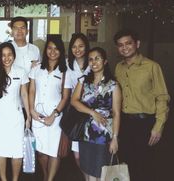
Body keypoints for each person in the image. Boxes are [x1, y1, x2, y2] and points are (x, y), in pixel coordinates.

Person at [113, 29, 170, 181]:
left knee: (145, 166)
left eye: (128, 43)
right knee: (125, 165)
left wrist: (158, 127)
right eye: (120, 45)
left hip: (145, 124)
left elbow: (162, 98)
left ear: (137, 44)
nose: (124, 47)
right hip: (124, 124)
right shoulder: (119, 67)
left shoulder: (152, 66)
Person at [0, 42, 31, 181]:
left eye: (9, 54)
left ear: (14, 56)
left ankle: (15, 179)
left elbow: (24, 94)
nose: (6, 58)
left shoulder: (20, 71)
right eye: (3, 55)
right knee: (0, 150)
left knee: (17, 151)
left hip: (16, 117)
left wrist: (28, 117)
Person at [71, 47, 121, 181]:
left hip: (104, 135)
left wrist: (115, 138)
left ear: (105, 61)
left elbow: (116, 113)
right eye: (91, 59)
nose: (94, 62)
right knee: (87, 170)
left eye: (97, 58)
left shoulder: (113, 85)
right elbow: (74, 101)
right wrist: (92, 112)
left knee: (100, 172)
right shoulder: (84, 82)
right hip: (86, 134)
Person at [29, 35, 69, 181]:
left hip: (55, 118)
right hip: (37, 115)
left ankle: (50, 179)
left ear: (61, 51)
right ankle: (46, 176)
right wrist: (32, 110)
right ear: (45, 50)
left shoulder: (65, 71)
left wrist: (54, 114)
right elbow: (31, 90)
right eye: (50, 48)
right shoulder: (37, 68)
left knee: (53, 152)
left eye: (57, 49)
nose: (53, 52)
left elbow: (65, 97)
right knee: (40, 152)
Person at [64, 33, 90, 166]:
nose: (77, 49)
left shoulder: (93, 62)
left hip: (93, 109)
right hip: (76, 110)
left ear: (86, 47)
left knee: (91, 151)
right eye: (74, 47)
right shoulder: (68, 64)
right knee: (78, 154)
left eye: (81, 46)